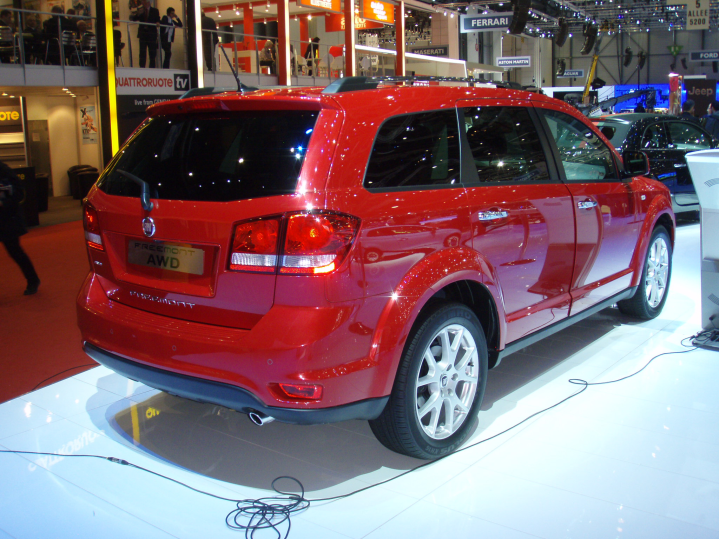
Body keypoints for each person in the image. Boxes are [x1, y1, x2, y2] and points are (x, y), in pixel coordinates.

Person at [0, 161, 40, 296]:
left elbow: (19, 194)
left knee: (15, 252)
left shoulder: (5, 172)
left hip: (8, 220)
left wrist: (3, 203)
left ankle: (33, 280)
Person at [130, 0, 160, 68]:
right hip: (143, 34)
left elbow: (157, 19)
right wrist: (138, 14)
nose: (142, 3)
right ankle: (142, 68)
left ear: (148, 2)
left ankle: (152, 68)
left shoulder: (155, 10)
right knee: (142, 52)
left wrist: (158, 22)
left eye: (144, 1)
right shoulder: (140, 10)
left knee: (152, 52)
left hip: (152, 35)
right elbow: (134, 19)